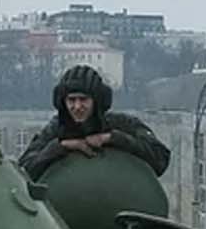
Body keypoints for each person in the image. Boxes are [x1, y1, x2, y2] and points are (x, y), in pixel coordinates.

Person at [17, 65, 170, 181]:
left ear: (97, 101)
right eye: (71, 100)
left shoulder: (122, 124)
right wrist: (61, 147)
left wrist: (113, 139)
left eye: (83, 99)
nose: (77, 107)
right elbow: (22, 171)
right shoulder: (55, 130)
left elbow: (160, 158)